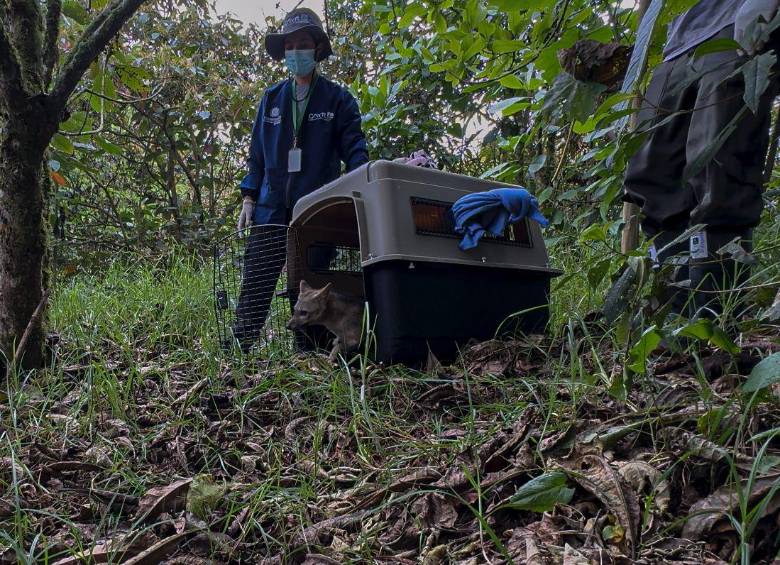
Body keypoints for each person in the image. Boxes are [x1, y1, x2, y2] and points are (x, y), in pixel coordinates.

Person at [623, 0, 780, 316]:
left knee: (718, 171)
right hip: (680, 40)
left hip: (736, 21)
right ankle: (671, 321)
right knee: (651, 175)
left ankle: (712, 322)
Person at [232, 7, 369, 351]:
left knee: (309, 286)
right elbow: (257, 154)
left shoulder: (338, 100)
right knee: (257, 279)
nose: (296, 52)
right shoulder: (272, 99)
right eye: (289, 45)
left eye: (303, 44)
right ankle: (239, 350)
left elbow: (355, 152)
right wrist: (249, 197)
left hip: (315, 211)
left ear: (318, 48)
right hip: (271, 208)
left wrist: (360, 191)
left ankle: (308, 360)